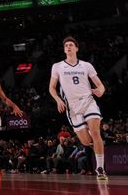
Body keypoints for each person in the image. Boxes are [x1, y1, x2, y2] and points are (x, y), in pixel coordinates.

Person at [49, 36, 107, 181]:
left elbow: (100, 85)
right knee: (86, 141)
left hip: (88, 101)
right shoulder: (57, 66)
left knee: (95, 131)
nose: (68, 47)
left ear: (76, 48)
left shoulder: (86, 65)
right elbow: (51, 87)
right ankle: (93, 142)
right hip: (73, 107)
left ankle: (100, 168)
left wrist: (101, 90)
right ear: (64, 49)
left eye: (71, 45)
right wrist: (57, 100)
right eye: (66, 45)